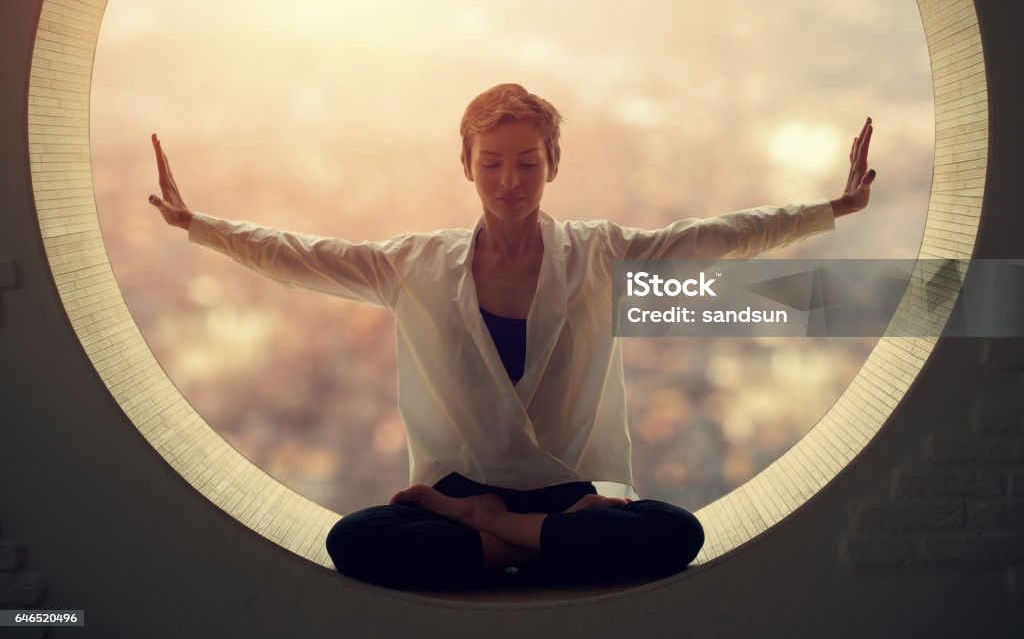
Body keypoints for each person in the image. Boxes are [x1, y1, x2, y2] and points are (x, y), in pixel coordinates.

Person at [149, 83, 876, 590]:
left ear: (552, 166)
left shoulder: (599, 255)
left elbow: (713, 239)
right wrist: (197, 226)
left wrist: (831, 208)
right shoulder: (416, 265)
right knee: (354, 542)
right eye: (491, 164)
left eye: (527, 163)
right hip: (469, 495)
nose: (509, 182)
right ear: (466, 166)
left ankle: (494, 537)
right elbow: (303, 257)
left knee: (674, 533)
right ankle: (525, 540)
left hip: (574, 496)